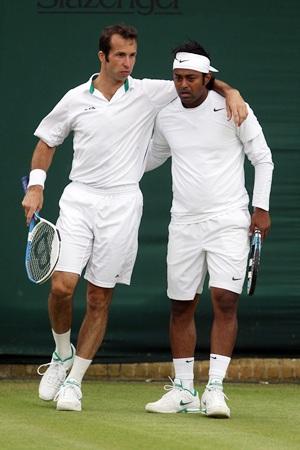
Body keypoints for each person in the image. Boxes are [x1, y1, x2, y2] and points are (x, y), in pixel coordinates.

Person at [21, 25, 248, 412]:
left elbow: (200, 79)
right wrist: (37, 185)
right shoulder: (76, 98)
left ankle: (74, 381)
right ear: (102, 58)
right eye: (120, 56)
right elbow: (47, 141)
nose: (128, 63)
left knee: (99, 296)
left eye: (133, 56)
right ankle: (61, 355)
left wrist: (232, 91)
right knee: (62, 286)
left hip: (123, 205)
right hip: (79, 199)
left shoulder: (148, 92)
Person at [144, 41, 273, 418]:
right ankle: (184, 390)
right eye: (177, 77)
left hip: (229, 220)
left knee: (225, 300)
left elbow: (262, 159)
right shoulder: (166, 115)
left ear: (207, 78)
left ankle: (214, 389)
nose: (182, 84)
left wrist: (260, 209)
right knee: (181, 304)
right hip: (183, 222)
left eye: (190, 77)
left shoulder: (234, 109)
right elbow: (152, 156)